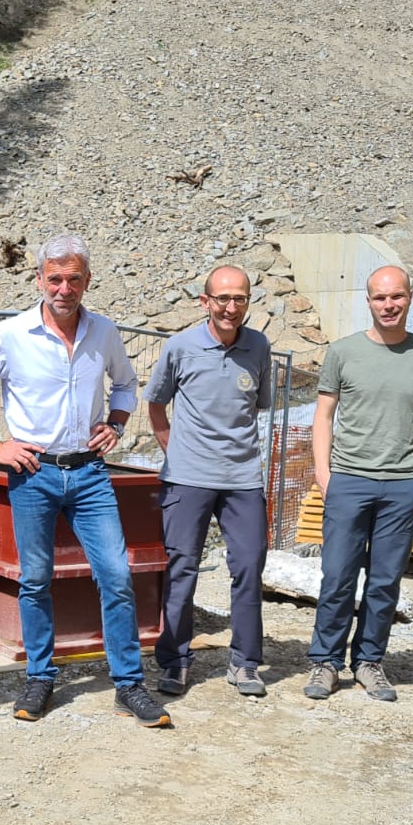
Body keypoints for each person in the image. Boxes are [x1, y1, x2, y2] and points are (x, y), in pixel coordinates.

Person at [0, 233, 172, 729]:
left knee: (115, 575)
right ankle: (40, 677)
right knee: (35, 579)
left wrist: (115, 423)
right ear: (38, 279)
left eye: (73, 279)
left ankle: (129, 685)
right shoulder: (11, 335)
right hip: (33, 474)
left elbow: (128, 383)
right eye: (55, 278)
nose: (64, 288)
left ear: (87, 281)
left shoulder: (105, 332)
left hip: (89, 474)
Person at [305, 264, 413, 702]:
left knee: (385, 581)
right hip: (348, 480)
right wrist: (324, 474)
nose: (389, 305)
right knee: (337, 577)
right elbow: (323, 416)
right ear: (368, 302)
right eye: (380, 298)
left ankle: (369, 662)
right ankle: (325, 664)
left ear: (409, 298)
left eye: (397, 297)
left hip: (404, 484)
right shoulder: (343, 352)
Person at [144, 265, 274, 699]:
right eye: (223, 299)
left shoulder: (258, 346)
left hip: (243, 481)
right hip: (188, 480)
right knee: (181, 569)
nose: (231, 307)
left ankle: (245, 662)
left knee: (250, 568)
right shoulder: (180, 347)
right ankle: (175, 661)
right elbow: (157, 406)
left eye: (239, 299)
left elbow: (254, 407)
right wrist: (176, 454)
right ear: (205, 302)